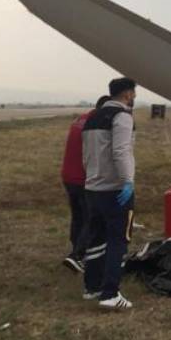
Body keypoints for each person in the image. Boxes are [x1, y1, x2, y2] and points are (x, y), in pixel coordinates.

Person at [81, 77, 137, 310]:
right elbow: (121, 151)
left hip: (92, 187)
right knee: (117, 241)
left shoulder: (92, 117)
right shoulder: (122, 116)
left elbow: (86, 154)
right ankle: (110, 293)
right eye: (133, 93)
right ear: (127, 94)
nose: (134, 97)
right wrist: (128, 181)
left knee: (96, 239)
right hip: (114, 190)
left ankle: (92, 287)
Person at [61, 95, 111, 273]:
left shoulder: (80, 119)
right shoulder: (97, 124)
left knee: (78, 217)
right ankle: (77, 256)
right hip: (84, 178)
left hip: (68, 176)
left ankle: (76, 250)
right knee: (92, 218)